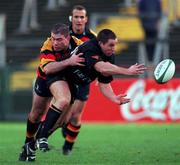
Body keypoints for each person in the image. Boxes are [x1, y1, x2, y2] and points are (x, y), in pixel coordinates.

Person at [36, 29, 146, 157]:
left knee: (62, 121)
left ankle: (35, 140)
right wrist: (128, 71)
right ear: (100, 43)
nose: (114, 48)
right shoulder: (90, 47)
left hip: (74, 83)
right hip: (59, 75)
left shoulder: (110, 56)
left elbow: (104, 83)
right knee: (63, 100)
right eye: (111, 45)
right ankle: (41, 138)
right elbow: (100, 67)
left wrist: (114, 98)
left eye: (115, 44)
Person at [18, 23, 85, 162]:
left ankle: (31, 146)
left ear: (68, 38)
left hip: (66, 80)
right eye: (53, 38)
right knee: (36, 114)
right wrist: (70, 61)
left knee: (63, 121)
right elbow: (48, 69)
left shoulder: (79, 44)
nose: (54, 42)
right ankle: (28, 142)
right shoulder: (47, 45)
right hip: (45, 79)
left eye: (59, 39)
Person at [36, 5, 97, 153]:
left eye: (82, 17)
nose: (79, 20)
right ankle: (41, 137)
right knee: (61, 105)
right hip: (63, 76)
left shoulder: (92, 37)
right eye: (76, 17)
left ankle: (67, 148)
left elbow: (97, 59)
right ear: (71, 18)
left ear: (86, 19)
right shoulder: (63, 33)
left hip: (81, 79)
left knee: (74, 117)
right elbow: (50, 57)